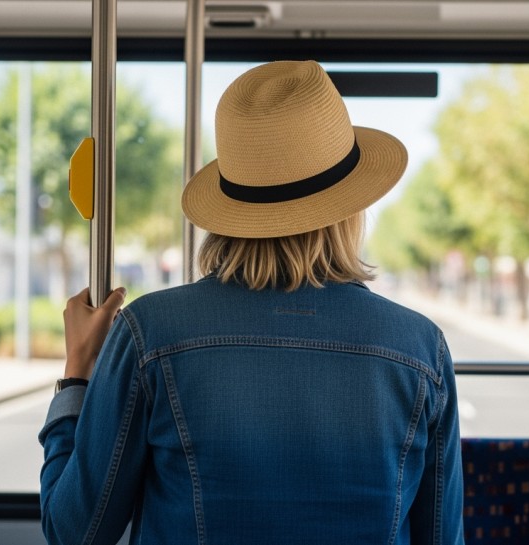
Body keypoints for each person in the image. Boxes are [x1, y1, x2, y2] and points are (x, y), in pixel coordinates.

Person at [39, 60, 463, 545]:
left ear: (230, 210)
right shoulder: (420, 347)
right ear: (350, 210)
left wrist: (77, 373)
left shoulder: (150, 332)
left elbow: (74, 531)